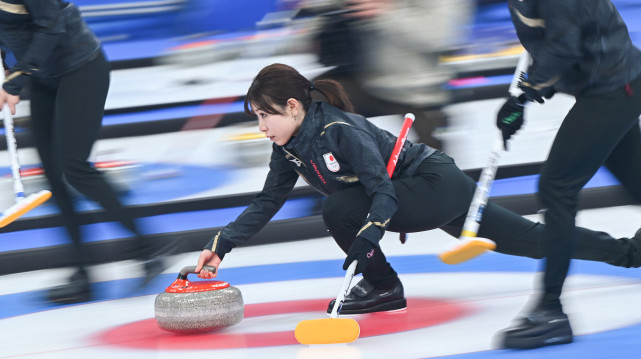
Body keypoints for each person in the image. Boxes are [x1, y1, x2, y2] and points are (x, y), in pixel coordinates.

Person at [194, 63, 641, 318]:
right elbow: (268, 200)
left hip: (432, 183)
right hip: (418, 192)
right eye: (256, 118)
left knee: (341, 209)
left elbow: (380, 192)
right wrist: (222, 243)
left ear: (293, 107)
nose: (261, 127)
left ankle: (383, 287)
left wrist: (371, 229)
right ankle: (629, 253)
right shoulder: (289, 146)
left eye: (264, 116)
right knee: (530, 241)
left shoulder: (339, 130)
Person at [494, 0, 641, 350]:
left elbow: (564, 47)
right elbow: (548, 39)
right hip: (608, 82)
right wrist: (527, 93)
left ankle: (551, 312)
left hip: (613, 86)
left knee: (556, 187)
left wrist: (525, 96)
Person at [0, 0, 168, 304]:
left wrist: (18, 77)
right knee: (53, 177)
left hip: (80, 68)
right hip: (42, 77)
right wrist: (11, 71)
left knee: (73, 168)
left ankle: (148, 248)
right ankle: (83, 275)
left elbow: (51, 25)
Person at [307, 0, 474, 150]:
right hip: (363, 78)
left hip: (417, 91)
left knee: (431, 171)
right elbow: (325, 10)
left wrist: (387, 10)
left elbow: (440, 34)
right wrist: (319, 32)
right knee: (302, 102)